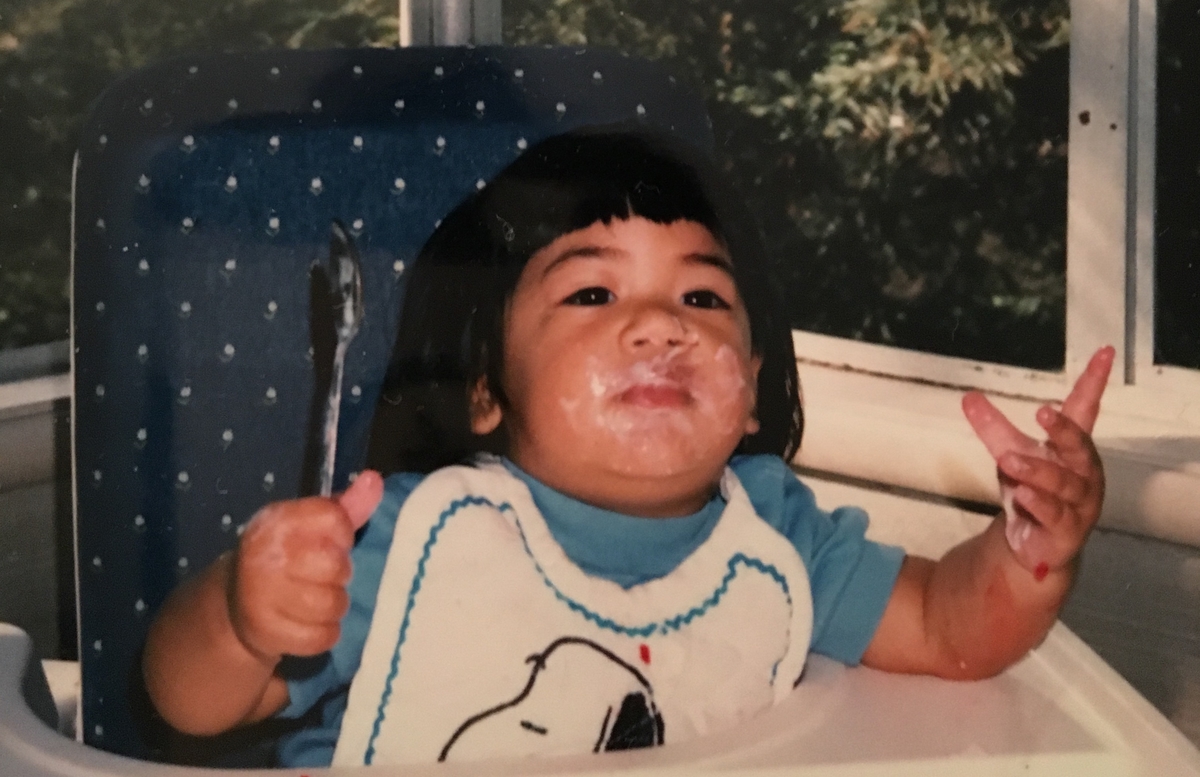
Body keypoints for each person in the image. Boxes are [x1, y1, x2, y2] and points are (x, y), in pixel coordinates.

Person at [142, 129, 1113, 768]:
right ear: (485, 389)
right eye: (592, 294)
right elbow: (192, 704)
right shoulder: (413, 541)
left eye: (701, 297)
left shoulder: (774, 535)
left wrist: (1032, 550)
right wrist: (240, 615)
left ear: (748, 392)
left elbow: (949, 630)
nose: (659, 326)